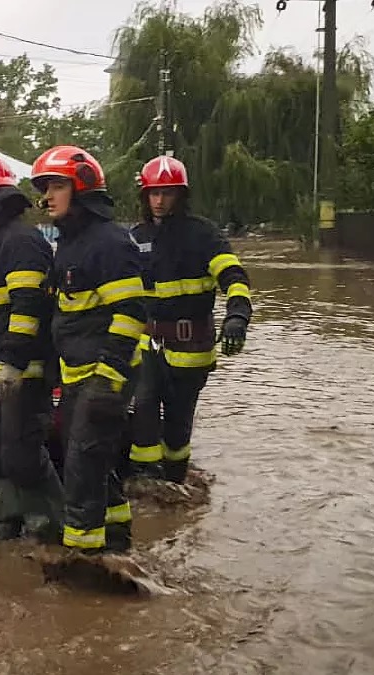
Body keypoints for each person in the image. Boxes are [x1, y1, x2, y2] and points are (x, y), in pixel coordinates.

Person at [31, 145, 147, 554]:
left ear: (81, 187)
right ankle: (116, 539)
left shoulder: (109, 243)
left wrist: (107, 380)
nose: (46, 196)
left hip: (103, 377)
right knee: (93, 463)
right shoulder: (71, 243)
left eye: (56, 185)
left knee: (80, 469)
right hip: (81, 376)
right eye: (44, 187)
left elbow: (132, 313)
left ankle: (82, 561)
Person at [125, 155, 252, 484]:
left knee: (178, 425)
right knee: (143, 408)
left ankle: (176, 481)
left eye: (167, 193)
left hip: (191, 346)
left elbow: (234, 276)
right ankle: (145, 483)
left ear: (180, 196)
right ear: (144, 196)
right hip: (147, 343)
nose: (159, 201)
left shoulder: (203, 235)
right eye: (153, 193)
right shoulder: (135, 237)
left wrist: (237, 316)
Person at [0, 154, 63, 543]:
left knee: (22, 455)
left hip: (21, 373)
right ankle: (4, 522)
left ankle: (50, 526)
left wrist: (13, 363)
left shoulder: (21, 241)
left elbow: (27, 306)